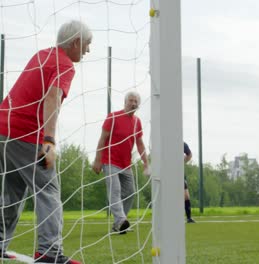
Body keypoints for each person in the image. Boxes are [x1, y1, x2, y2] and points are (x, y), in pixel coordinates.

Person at [0, 20, 92, 263]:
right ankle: (50, 252)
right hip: (24, 133)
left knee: (13, 192)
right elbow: (53, 97)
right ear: (74, 42)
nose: (87, 50)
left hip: (3, 129)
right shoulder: (65, 64)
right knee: (48, 191)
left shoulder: (42, 55)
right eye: (86, 44)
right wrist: (49, 141)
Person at [92, 91, 148, 234]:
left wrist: (146, 163)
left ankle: (119, 223)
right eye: (131, 100)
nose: (133, 103)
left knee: (130, 192)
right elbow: (102, 138)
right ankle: (121, 220)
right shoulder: (113, 117)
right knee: (115, 190)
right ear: (125, 102)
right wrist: (97, 160)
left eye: (136, 101)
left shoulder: (137, 122)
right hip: (109, 161)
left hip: (126, 164)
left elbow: (140, 143)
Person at [184, 142, 195, 223]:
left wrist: (182, 161)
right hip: (166, 171)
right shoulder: (165, 142)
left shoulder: (182, 144)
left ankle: (189, 218)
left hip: (179, 172)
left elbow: (189, 154)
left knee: (186, 196)